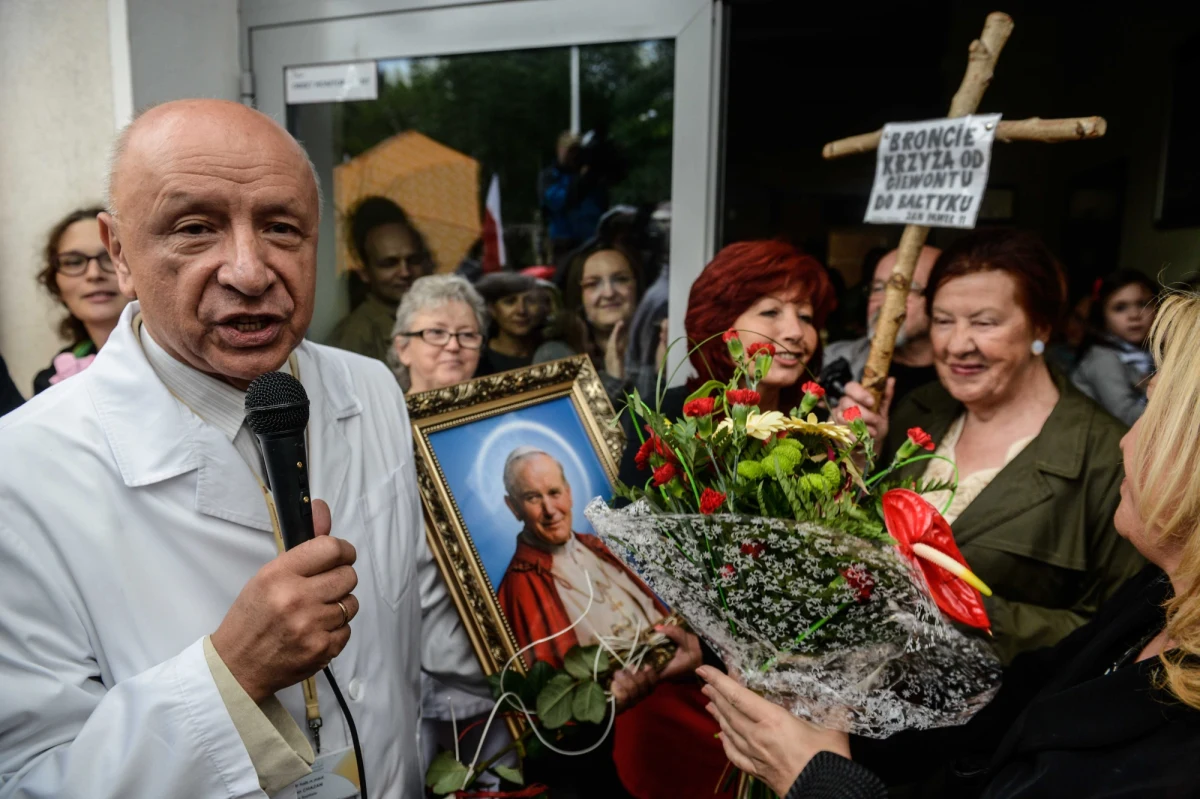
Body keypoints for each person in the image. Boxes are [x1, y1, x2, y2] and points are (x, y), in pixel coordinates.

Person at [0, 99, 486, 797]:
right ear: (119, 252)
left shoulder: (371, 388)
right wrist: (230, 676)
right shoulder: (22, 473)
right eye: (194, 228)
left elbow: (413, 620)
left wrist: (567, 642)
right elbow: (29, 779)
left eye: (281, 227)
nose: (250, 272)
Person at [698, 291, 1200, 799]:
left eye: (1152, 412)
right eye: (943, 319)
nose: (1125, 439)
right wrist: (833, 710)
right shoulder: (1154, 600)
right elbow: (1015, 696)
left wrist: (819, 779)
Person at [837, 229, 1144, 663]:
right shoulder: (914, 413)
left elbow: (1118, 631)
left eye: (985, 323)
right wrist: (853, 464)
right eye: (943, 320)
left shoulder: (1106, 456)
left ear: (1041, 326)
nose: (958, 345)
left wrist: (964, 609)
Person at [496, 448, 727, 799]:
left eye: (554, 492)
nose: (550, 509)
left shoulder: (600, 545)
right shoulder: (520, 586)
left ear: (569, 493)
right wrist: (604, 704)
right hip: (630, 752)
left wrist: (697, 648)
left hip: (695, 704)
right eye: (532, 498)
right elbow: (557, 721)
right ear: (513, 508)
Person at [619, 240, 838, 487]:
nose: (796, 332)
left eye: (805, 317)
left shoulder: (819, 430)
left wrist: (858, 458)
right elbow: (630, 511)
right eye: (770, 312)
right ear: (721, 325)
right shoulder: (664, 416)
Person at [824, 245, 940, 409]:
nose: (885, 302)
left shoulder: (964, 378)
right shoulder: (831, 360)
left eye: (903, 288)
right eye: (878, 288)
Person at [33, 206, 132, 393]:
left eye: (109, 257)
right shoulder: (50, 382)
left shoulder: (182, 357)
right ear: (56, 285)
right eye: (74, 262)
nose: (94, 274)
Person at [327, 196, 434, 362]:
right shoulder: (356, 336)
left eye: (413, 260)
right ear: (365, 273)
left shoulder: (436, 316)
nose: (405, 272)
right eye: (389, 264)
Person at [537, 244, 643, 405]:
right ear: (578, 296)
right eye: (593, 284)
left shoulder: (661, 344)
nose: (609, 293)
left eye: (621, 279)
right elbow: (571, 418)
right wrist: (612, 379)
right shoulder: (554, 355)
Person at [1072, 269, 1158, 425]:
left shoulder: (1152, 352)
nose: (1134, 315)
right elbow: (1127, 416)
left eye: (1143, 304)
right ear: (1102, 317)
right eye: (1120, 308)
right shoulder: (1102, 358)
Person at [389, 274, 486, 393]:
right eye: (437, 332)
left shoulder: (503, 405)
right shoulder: (390, 406)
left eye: (467, 334)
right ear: (403, 349)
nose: (453, 346)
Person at [540, 131, 611, 265]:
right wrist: (581, 181)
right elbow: (558, 201)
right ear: (560, 150)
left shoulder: (592, 175)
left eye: (576, 151)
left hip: (591, 239)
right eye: (570, 151)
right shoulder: (550, 176)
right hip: (564, 242)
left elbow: (602, 204)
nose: (573, 155)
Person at [473, 271, 546, 376]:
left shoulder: (552, 351)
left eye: (530, 300)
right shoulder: (477, 361)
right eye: (510, 302)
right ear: (492, 309)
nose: (521, 310)